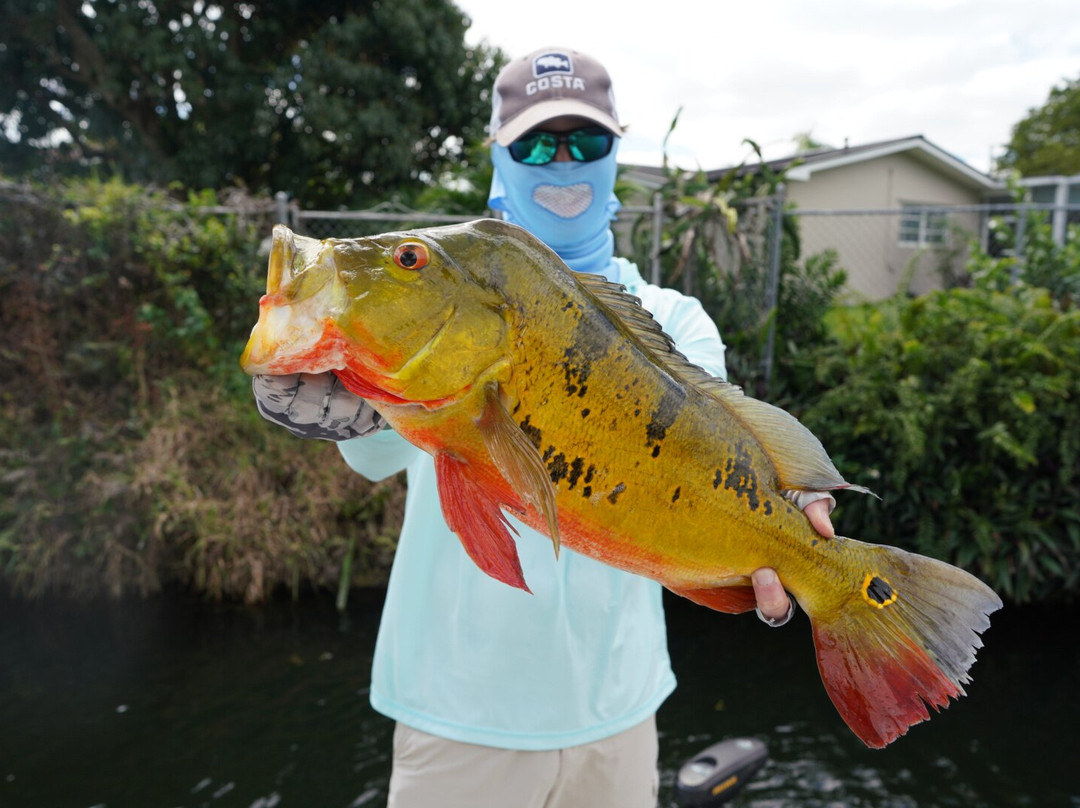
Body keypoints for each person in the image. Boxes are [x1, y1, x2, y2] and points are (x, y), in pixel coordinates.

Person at [252, 46, 835, 808]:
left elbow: (723, 448)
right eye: (533, 142)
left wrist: (793, 518)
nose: (561, 162)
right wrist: (326, 377)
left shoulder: (676, 322)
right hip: (458, 714)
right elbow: (371, 458)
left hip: (618, 711)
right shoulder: (444, 293)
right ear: (499, 159)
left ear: (615, 156)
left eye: (584, 141)